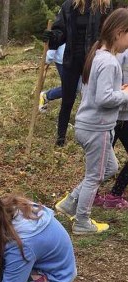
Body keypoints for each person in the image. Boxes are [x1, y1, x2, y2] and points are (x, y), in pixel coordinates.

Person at [55, 8, 128, 235]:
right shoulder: (109, 62)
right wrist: (126, 95)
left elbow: (101, 92)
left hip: (88, 125)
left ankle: (70, 203)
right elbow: (104, 98)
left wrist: (120, 91)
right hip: (97, 128)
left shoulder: (99, 55)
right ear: (118, 33)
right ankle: (82, 222)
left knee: (111, 167)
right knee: (94, 177)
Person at [43, 0, 112, 146]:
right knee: (68, 98)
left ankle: (95, 136)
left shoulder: (104, 5)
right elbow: (61, 32)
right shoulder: (69, 5)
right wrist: (53, 36)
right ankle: (60, 138)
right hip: (71, 58)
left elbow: (109, 32)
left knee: (93, 98)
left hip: (94, 59)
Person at [94, 47, 128, 208]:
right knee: (101, 159)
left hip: (123, 115)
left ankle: (115, 194)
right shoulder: (117, 54)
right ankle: (90, 193)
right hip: (115, 115)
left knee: (102, 159)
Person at [39, 44, 66, 112]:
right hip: (62, 60)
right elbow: (56, 38)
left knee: (76, 87)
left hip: (78, 58)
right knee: (70, 87)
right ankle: (46, 96)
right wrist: (49, 57)